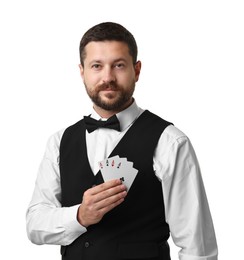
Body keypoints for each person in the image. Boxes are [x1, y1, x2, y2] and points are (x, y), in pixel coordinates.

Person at [26, 22, 218, 260]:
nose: (107, 77)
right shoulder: (58, 142)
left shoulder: (170, 142)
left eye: (118, 65)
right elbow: (35, 224)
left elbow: (197, 248)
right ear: (82, 71)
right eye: (97, 66)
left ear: (136, 70)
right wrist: (80, 216)